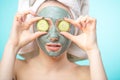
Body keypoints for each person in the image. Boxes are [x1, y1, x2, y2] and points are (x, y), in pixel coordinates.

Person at [0, 0, 107, 80]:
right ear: (33, 26)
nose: (54, 36)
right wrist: (12, 45)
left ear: (75, 29)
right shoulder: (14, 68)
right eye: (45, 24)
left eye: (63, 25)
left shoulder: (88, 74)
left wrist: (93, 50)